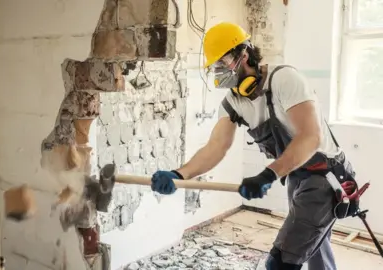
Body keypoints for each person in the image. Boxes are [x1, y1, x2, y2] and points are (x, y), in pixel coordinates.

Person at [150, 22, 358, 270]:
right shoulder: (233, 102)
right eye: (214, 66)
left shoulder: (284, 80)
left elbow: (310, 137)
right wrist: (179, 175)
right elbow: (216, 146)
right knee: (314, 247)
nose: (218, 70)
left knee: (282, 261)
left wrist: (267, 175)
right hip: (296, 175)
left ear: (243, 54)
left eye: (222, 61)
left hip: (325, 176)